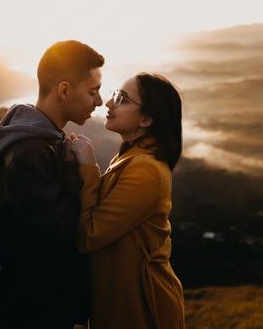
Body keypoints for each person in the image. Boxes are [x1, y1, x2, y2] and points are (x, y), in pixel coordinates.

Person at [0, 40, 104, 329]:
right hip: (33, 311)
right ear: (64, 90)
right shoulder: (28, 153)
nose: (98, 102)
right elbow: (60, 232)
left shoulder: (46, 143)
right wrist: (85, 171)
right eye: (93, 92)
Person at [69, 72, 185, 329]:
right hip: (124, 300)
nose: (109, 104)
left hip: (142, 307)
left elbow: (89, 235)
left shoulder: (145, 170)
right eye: (115, 95)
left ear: (145, 119)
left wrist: (88, 168)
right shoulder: (132, 156)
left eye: (123, 99)